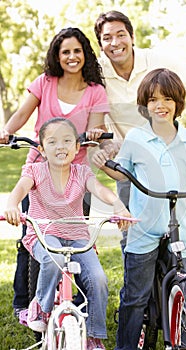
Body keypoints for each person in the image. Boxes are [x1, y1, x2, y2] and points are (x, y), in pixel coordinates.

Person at [94, 10, 186, 316]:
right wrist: (106, 144)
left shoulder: (158, 60)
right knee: (133, 233)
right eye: (107, 38)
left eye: (120, 34)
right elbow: (96, 120)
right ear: (100, 44)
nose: (115, 43)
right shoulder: (96, 71)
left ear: (132, 36)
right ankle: (138, 301)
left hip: (168, 153)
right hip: (132, 160)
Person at [92, 68, 186, 349]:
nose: (160, 105)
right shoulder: (136, 138)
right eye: (154, 99)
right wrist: (104, 164)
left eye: (167, 99)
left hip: (181, 223)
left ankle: (183, 331)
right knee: (135, 297)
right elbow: (123, 174)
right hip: (144, 225)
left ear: (178, 103)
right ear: (145, 105)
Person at [0, 27, 110, 318]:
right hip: (40, 169)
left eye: (77, 51)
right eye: (65, 52)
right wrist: (7, 131)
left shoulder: (96, 90)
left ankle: (68, 301)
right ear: (57, 56)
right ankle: (24, 303)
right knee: (32, 236)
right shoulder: (45, 82)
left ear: (85, 53)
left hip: (75, 176)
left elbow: (96, 128)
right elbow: (23, 114)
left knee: (74, 240)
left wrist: (97, 132)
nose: (72, 57)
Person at [4, 117, 131, 350]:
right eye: (52, 142)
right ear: (41, 149)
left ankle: (94, 335)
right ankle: (41, 308)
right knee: (55, 261)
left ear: (76, 147)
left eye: (66, 141)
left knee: (98, 280)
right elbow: (20, 189)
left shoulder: (81, 173)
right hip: (44, 233)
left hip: (78, 236)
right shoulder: (35, 170)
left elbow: (100, 190)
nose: (60, 147)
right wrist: (12, 205)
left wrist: (118, 206)